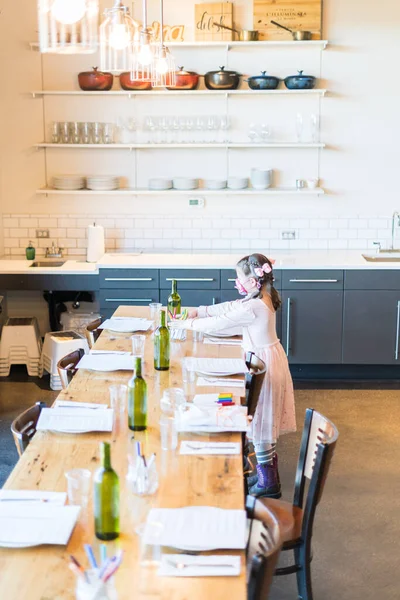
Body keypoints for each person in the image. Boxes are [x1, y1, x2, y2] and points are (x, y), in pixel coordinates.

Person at [169, 253, 296, 498]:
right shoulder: (259, 298)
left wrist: (186, 324)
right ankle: (265, 476)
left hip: (264, 362)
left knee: (261, 423)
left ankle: (269, 483)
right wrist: (199, 311)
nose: (236, 281)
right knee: (261, 421)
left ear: (253, 280)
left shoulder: (254, 306)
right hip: (266, 358)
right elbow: (228, 308)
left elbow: (221, 323)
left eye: (239, 277)